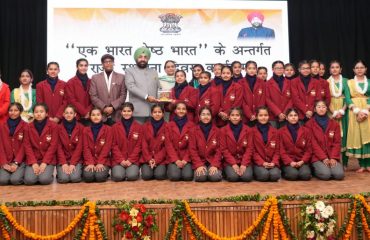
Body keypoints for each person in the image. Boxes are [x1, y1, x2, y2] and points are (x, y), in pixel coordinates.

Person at [306, 100, 344, 180]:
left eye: (323, 107)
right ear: (315, 109)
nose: (321, 109)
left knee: (339, 175)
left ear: (327, 109)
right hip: (317, 157)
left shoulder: (334, 124)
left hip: (332, 156)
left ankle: (329, 167)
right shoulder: (309, 124)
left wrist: (333, 157)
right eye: (319, 107)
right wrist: (324, 158)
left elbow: (337, 143)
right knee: (326, 175)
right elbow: (313, 144)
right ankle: (314, 169)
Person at [344, 60, 370, 172]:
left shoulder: (369, 82)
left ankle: (367, 164)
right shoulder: (349, 82)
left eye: (362, 67)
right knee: (358, 136)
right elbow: (348, 98)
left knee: (367, 135)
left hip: (368, 110)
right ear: (354, 70)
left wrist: (366, 110)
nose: (359, 69)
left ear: (365, 69)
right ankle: (361, 164)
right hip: (354, 111)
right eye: (357, 67)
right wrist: (357, 111)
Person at [24, 103, 58, 185]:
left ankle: (49, 175)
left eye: (41, 112)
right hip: (34, 158)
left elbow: (53, 146)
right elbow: (27, 146)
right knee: (29, 181)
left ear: (46, 114)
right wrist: (33, 162)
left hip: (48, 159)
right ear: (33, 114)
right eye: (36, 112)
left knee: (44, 180)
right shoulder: (28, 127)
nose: (39, 114)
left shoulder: (53, 126)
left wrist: (44, 162)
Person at [89, 54, 126, 125]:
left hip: (116, 115)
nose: (108, 63)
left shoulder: (121, 77)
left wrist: (112, 107)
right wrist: (104, 107)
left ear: (113, 63)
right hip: (101, 115)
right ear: (102, 64)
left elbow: (123, 95)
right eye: (106, 62)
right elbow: (93, 96)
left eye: (110, 61)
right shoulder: (95, 78)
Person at [125, 47, 160, 124]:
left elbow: (158, 89)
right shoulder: (130, 71)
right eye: (140, 57)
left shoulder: (154, 72)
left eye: (145, 57)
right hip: (138, 111)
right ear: (136, 58)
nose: (143, 59)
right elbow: (131, 86)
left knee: (151, 135)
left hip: (153, 111)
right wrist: (146, 97)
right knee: (138, 134)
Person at [220, 107, 253, 182]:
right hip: (230, 161)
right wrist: (233, 164)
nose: (235, 117)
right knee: (233, 177)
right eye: (232, 115)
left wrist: (244, 164)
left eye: (237, 115)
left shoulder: (248, 130)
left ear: (241, 117)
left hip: (244, 160)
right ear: (229, 117)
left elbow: (249, 149)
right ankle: (227, 172)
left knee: (246, 177)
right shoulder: (223, 130)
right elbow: (224, 149)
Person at [190, 107, 222, 182]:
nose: (206, 117)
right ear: (199, 117)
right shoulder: (193, 131)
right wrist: (198, 165)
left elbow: (219, 150)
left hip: (212, 161)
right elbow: (192, 150)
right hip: (200, 161)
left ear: (211, 117)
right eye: (203, 114)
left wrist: (215, 165)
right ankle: (204, 172)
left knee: (215, 177)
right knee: (201, 177)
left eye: (208, 114)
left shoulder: (217, 131)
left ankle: (213, 172)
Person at [279, 108, 312, 181]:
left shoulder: (306, 131)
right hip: (288, 161)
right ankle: (285, 171)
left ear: (298, 117)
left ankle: (304, 170)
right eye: (290, 115)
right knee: (293, 175)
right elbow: (281, 151)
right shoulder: (281, 132)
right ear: (287, 118)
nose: (293, 117)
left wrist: (302, 161)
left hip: (301, 161)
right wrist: (290, 162)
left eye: (295, 115)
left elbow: (309, 150)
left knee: (305, 175)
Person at [111, 102, 141, 181]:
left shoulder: (138, 127)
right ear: (121, 112)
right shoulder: (114, 127)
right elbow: (113, 146)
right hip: (118, 160)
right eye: (124, 111)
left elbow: (139, 146)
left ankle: (131, 172)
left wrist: (130, 160)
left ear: (132, 112)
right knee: (118, 177)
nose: (126, 113)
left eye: (129, 111)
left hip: (133, 160)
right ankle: (119, 172)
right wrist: (121, 160)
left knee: (132, 176)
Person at [327, 60, 349, 167]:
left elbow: (348, 98)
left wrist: (342, 110)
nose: (334, 69)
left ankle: (345, 162)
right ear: (329, 69)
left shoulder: (346, 81)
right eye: (332, 67)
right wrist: (333, 112)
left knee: (344, 135)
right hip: (331, 110)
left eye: (337, 67)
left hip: (344, 110)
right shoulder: (326, 82)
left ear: (340, 69)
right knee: (331, 135)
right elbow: (326, 99)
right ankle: (333, 160)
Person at [165, 102, 195, 181]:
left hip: (186, 158)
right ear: (175, 111)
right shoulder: (169, 125)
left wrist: (185, 159)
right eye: (178, 109)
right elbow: (168, 145)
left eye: (183, 109)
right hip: (174, 158)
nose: (181, 111)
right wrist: (176, 160)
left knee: (187, 177)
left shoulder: (192, 125)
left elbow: (192, 145)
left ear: (186, 111)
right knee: (175, 177)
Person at [82, 107, 112, 182]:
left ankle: (105, 172)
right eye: (93, 115)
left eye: (98, 115)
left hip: (103, 160)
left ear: (102, 116)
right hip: (89, 160)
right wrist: (90, 163)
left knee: (100, 177)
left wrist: (100, 162)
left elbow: (107, 148)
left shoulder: (108, 129)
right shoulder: (85, 130)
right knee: (88, 177)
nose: (96, 117)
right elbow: (86, 148)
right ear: (90, 116)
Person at [0, 103, 27, 185]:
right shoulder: (1, 126)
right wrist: (4, 163)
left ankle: (23, 171)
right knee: (2, 181)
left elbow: (25, 146)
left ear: (20, 112)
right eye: (11, 110)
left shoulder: (25, 126)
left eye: (16, 110)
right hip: (6, 160)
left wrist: (16, 162)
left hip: (20, 161)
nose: (13, 112)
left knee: (15, 180)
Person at [252, 107, 281, 182]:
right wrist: (262, 163)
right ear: (256, 117)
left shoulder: (275, 132)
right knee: (264, 175)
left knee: (275, 176)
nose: (263, 117)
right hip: (258, 162)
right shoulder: (251, 131)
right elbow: (253, 151)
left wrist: (274, 162)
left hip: (272, 162)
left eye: (265, 115)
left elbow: (277, 151)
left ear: (269, 116)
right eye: (260, 115)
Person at [57, 105, 84, 183]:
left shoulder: (81, 128)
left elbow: (79, 148)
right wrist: (64, 163)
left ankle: (79, 171)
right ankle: (59, 173)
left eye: (71, 113)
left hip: (76, 159)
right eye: (66, 113)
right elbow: (58, 148)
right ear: (63, 114)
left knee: (75, 179)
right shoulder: (58, 128)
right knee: (63, 179)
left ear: (75, 114)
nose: (68, 115)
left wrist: (72, 163)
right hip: (63, 159)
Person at [141, 104, 167, 180]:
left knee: (159, 176)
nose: (157, 114)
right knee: (146, 176)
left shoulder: (167, 127)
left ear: (163, 114)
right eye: (155, 112)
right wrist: (149, 159)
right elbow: (143, 144)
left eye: (159, 112)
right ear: (151, 114)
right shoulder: (145, 126)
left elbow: (166, 147)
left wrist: (156, 159)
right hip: (147, 158)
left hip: (161, 159)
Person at [66, 58, 93, 126]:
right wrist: (84, 112)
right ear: (77, 67)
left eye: (85, 65)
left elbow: (94, 99)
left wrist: (88, 112)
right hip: (76, 117)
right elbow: (71, 100)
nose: (83, 67)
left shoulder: (91, 82)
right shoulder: (70, 82)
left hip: (89, 117)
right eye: (81, 65)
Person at [266, 60, 292, 128]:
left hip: (286, 115)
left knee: (285, 137)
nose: (279, 70)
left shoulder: (290, 83)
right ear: (272, 69)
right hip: (273, 116)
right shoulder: (267, 84)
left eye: (281, 68)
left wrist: (285, 112)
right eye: (277, 68)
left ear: (283, 69)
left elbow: (292, 99)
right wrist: (278, 113)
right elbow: (267, 100)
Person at [240, 61, 266, 127]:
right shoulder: (240, 82)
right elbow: (242, 100)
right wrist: (249, 114)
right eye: (249, 68)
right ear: (245, 69)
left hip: (259, 116)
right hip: (245, 116)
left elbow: (262, 99)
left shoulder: (261, 82)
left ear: (256, 69)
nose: (252, 70)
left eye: (254, 68)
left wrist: (256, 113)